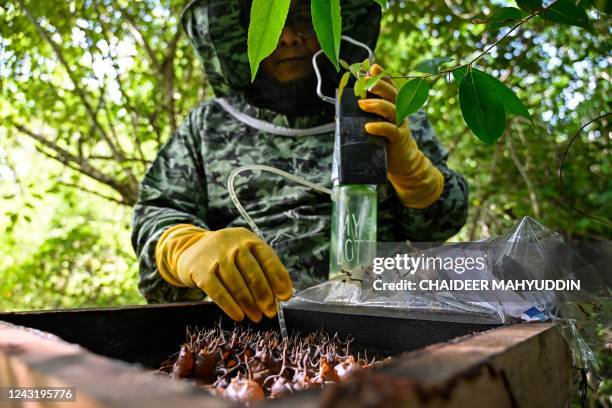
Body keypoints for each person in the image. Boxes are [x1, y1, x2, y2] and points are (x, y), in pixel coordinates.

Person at [131, 0, 469, 323]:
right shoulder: (208, 124)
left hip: (383, 321)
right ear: (245, 32)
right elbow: (157, 212)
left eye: (306, 18)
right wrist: (186, 247)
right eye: (272, 21)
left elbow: (440, 226)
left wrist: (414, 175)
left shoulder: (382, 109)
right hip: (250, 333)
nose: (290, 36)